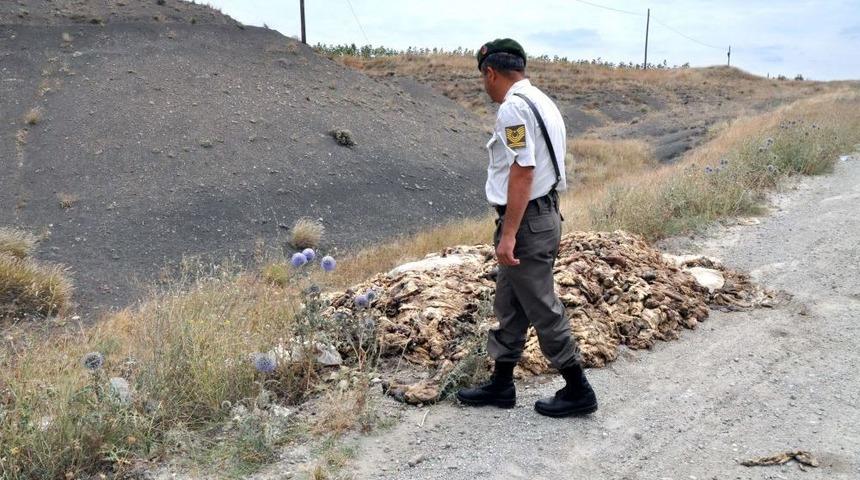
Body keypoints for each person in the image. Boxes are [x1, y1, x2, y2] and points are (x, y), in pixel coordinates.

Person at [456, 38, 598, 417]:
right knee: (511, 303)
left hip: (526, 223)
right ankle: (501, 385)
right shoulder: (541, 101)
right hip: (541, 216)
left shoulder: (513, 110)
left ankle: (578, 388)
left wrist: (508, 235)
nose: (484, 86)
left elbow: (523, 170)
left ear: (491, 73)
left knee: (540, 306)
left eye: (483, 78)